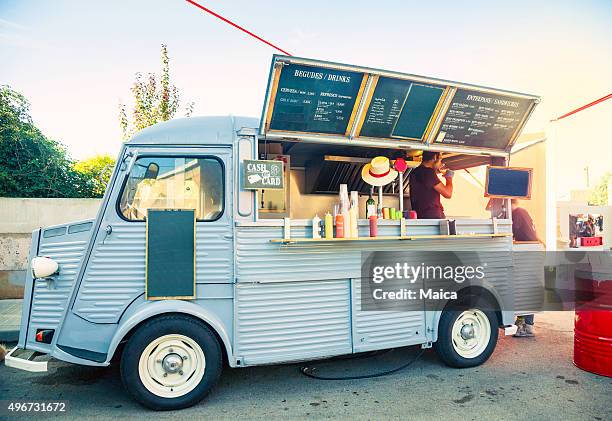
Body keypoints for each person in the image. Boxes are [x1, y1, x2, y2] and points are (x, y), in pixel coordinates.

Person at [510, 198, 541, 337]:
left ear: (510, 204)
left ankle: (527, 326)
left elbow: (511, 233)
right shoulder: (523, 212)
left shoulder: (517, 213)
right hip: (532, 249)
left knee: (525, 287)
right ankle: (527, 324)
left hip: (528, 251)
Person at [408, 151, 454, 219]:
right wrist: (449, 178)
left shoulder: (415, 172)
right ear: (435, 157)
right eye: (440, 160)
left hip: (422, 216)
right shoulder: (428, 172)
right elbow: (448, 193)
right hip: (432, 216)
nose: (441, 164)